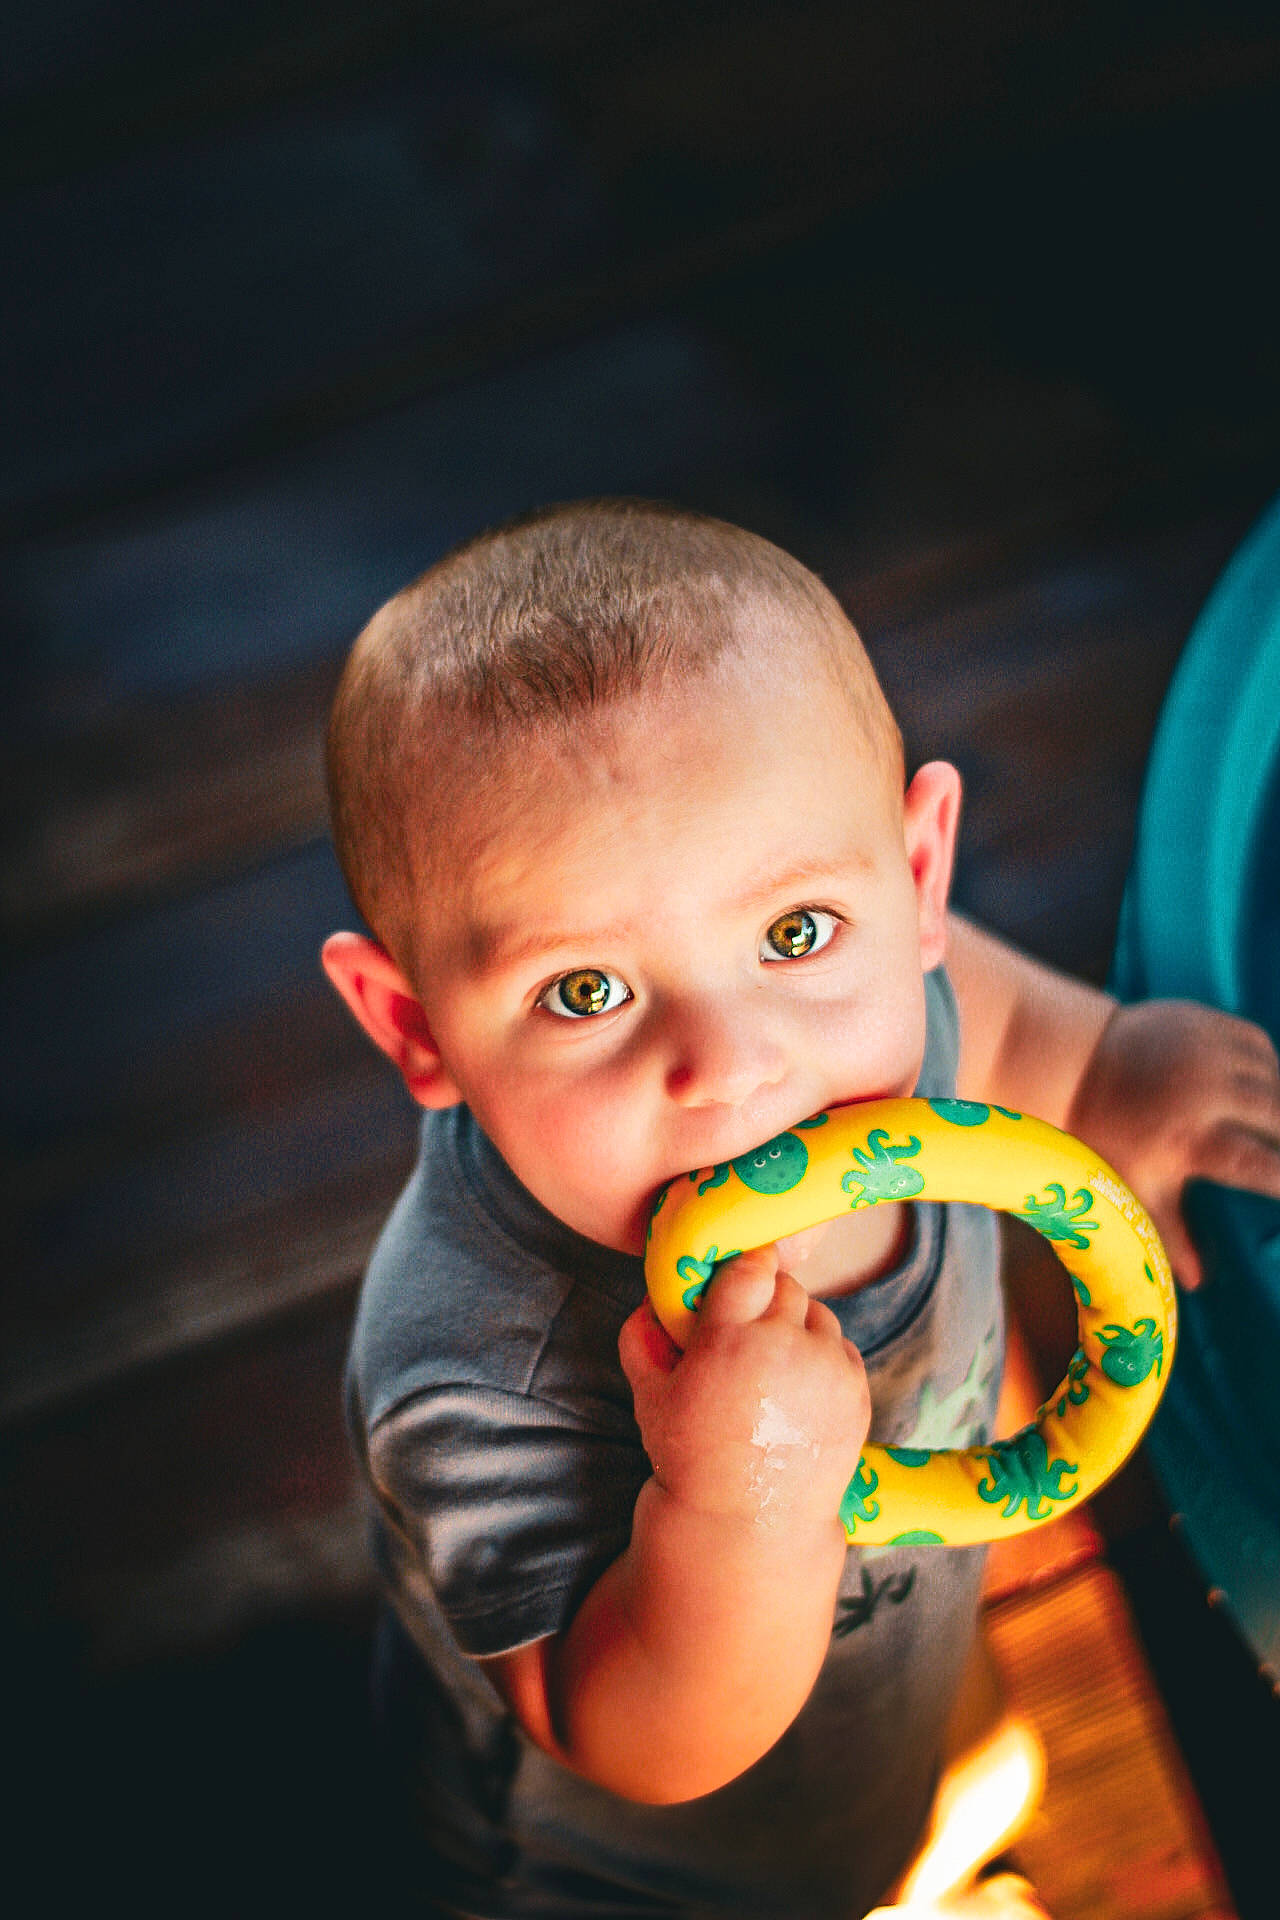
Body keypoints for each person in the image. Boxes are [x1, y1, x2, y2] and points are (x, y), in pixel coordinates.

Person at [321, 499, 1280, 1918]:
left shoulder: (881, 1016)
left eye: (791, 931)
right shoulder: (474, 1361)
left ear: (915, 877)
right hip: (634, 1882)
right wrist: (740, 1497)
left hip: (884, 1697)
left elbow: (1014, 1032)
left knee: (900, 1772)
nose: (733, 1064)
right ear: (415, 1029)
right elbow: (631, 1740)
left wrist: (1112, 1068)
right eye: (585, 991)